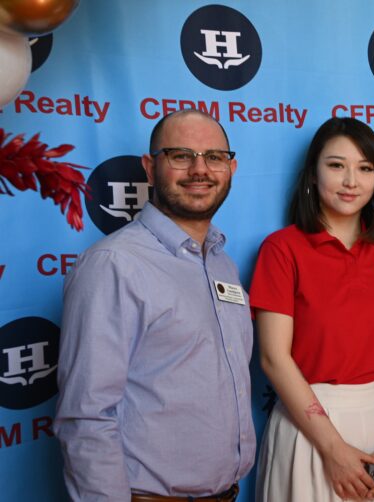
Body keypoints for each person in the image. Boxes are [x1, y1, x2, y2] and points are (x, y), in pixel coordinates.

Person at [54, 109, 256, 501]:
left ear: (230, 168)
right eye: (181, 155)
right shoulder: (114, 264)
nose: (200, 170)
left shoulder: (221, 262)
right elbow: (86, 416)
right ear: (150, 168)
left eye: (214, 157)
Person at [249, 117, 374, 502]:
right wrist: (333, 449)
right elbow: (273, 358)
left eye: (365, 168)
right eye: (336, 165)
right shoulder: (282, 249)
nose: (351, 181)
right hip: (311, 427)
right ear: (313, 174)